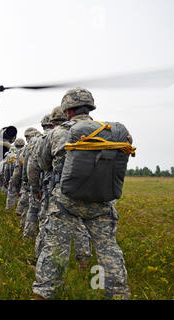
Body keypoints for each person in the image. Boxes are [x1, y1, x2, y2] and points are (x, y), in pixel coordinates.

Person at [32, 88, 131, 300]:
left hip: (65, 201)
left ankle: (45, 293)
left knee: (54, 250)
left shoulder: (56, 133)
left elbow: (42, 164)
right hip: (102, 201)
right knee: (109, 249)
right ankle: (118, 293)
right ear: (90, 107)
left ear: (67, 111)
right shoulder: (107, 132)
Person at [27, 106, 91, 268]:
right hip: (93, 190)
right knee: (81, 226)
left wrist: (36, 190)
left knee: (49, 227)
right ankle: (83, 262)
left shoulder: (52, 136)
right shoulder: (102, 130)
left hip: (61, 190)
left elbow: (39, 165)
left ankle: (43, 269)